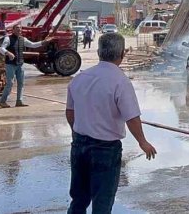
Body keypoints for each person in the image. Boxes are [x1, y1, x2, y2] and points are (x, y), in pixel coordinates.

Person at [65, 32, 156, 214]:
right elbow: (131, 117)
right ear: (122, 53)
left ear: (99, 52)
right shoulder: (120, 81)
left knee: (78, 199)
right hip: (105, 150)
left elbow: (70, 113)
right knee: (102, 203)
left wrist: (78, 134)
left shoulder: (80, 78)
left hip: (79, 145)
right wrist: (142, 142)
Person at [0, 24, 53, 108]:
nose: (19, 30)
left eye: (20, 28)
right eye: (17, 28)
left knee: (21, 83)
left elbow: (33, 45)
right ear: (13, 30)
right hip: (10, 65)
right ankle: (2, 101)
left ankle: (19, 101)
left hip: (20, 64)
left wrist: (44, 42)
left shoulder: (23, 39)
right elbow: (2, 49)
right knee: (10, 83)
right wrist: (8, 53)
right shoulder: (8, 38)